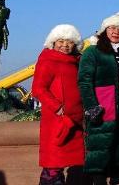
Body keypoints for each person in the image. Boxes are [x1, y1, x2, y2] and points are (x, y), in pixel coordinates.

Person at [78, 12, 119, 185]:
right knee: (99, 157)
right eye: (112, 28)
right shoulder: (93, 52)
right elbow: (84, 81)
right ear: (104, 30)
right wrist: (92, 106)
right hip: (102, 110)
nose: (116, 32)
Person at [32, 24, 88, 185]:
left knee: (75, 163)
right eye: (61, 41)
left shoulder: (77, 62)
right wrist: (58, 107)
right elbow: (38, 89)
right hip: (58, 121)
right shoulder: (47, 60)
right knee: (53, 164)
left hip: (76, 120)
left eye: (69, 42)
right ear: (53, 42)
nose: (65, 45)